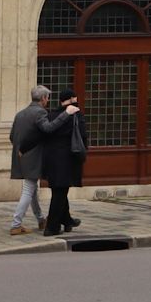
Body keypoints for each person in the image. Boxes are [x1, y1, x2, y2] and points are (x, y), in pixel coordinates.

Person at [39, 88, 88, 236]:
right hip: (67, 160)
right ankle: (52, 227)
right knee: (59, 194)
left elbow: (44, 134)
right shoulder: (75, 115)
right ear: (73, 99)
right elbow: (83, 136)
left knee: (59, 191)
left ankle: (67, 221)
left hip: (51, 159)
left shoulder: (51, 114)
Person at [8, 84, 52, 235]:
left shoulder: (20, 114)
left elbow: (12, 136)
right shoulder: (41, 113)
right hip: (33, 157)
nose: (47, 101)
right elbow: (47, 130)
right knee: (28, 190)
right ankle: (16, 223)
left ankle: (41, 219)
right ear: (43, 98)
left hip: (21, 157)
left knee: (32, 190)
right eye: (47, 98)